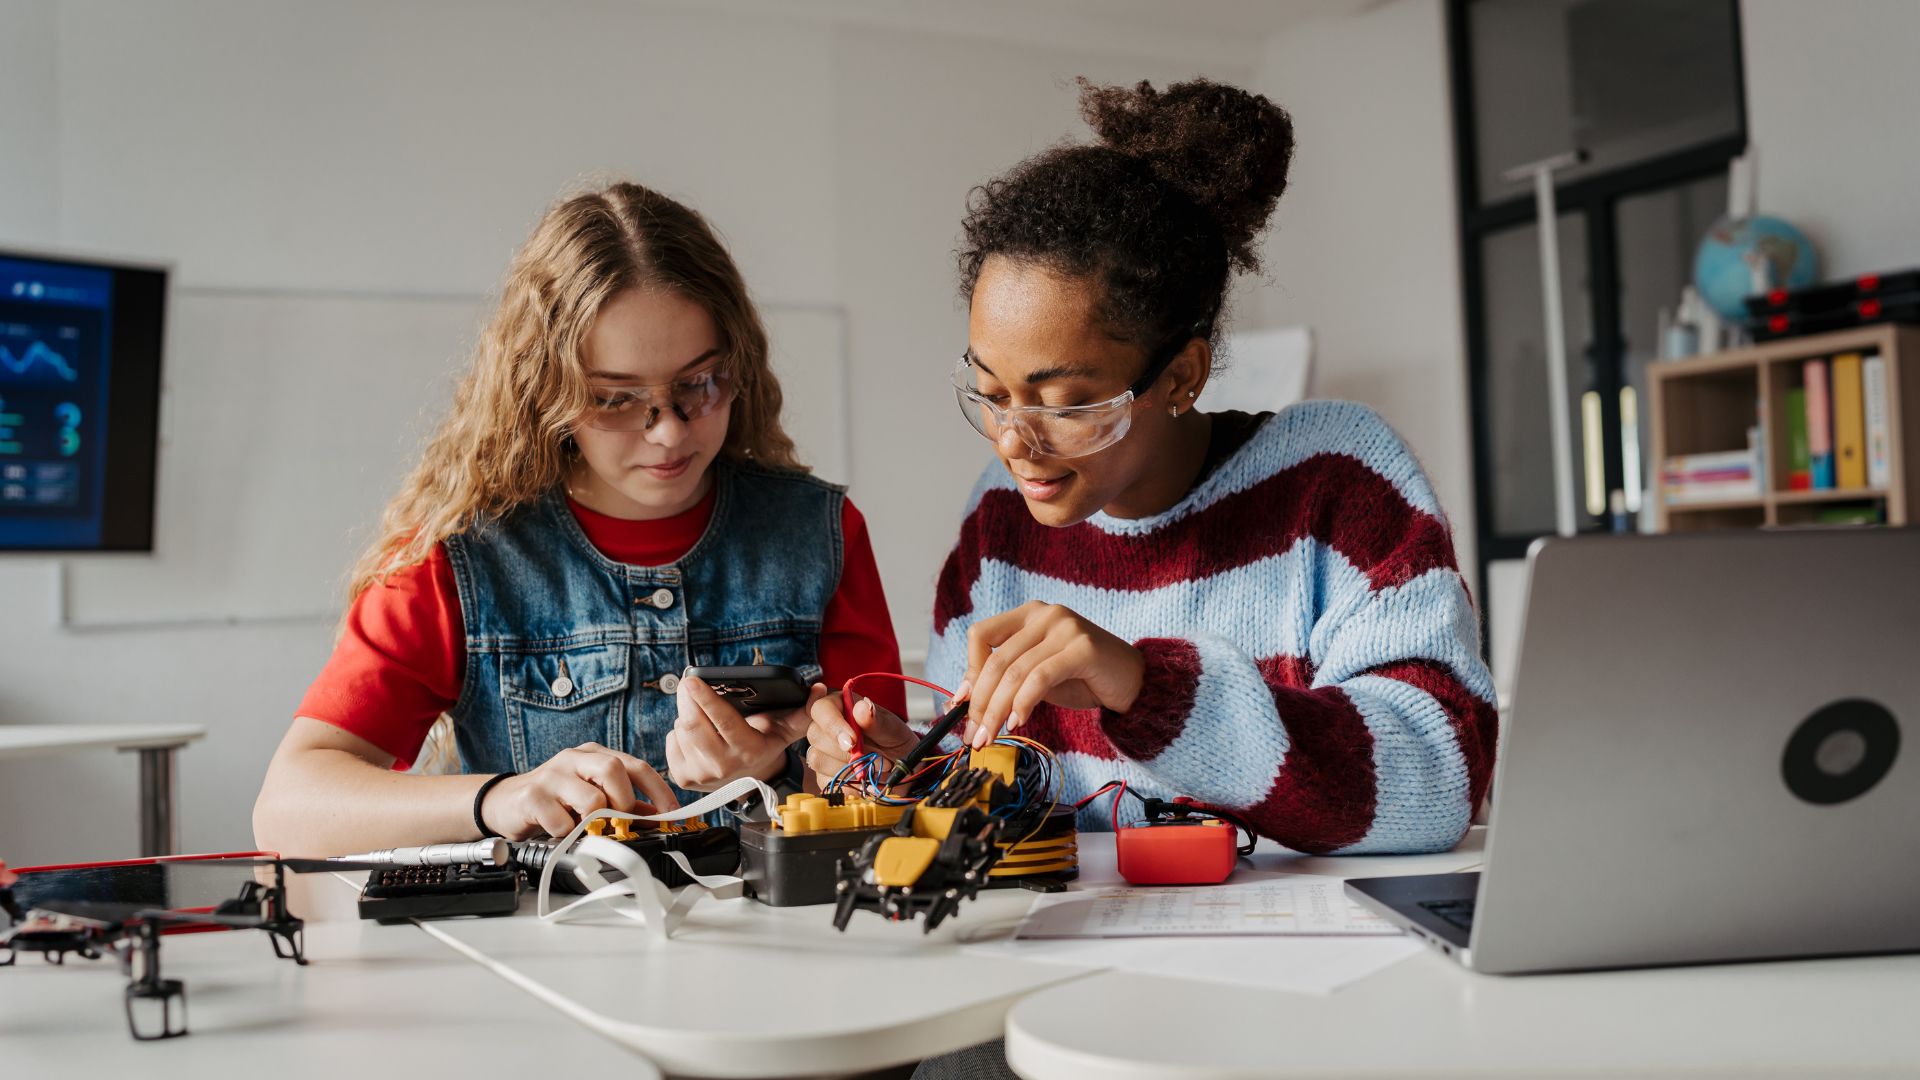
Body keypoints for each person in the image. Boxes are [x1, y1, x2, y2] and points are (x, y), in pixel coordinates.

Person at [807, 78, 1495, 1076]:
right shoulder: (999, 530)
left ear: (1183, 375)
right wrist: (897, 766)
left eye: (1064, 402)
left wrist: (1148, 685)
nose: (1014, 441)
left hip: (1303, 1011)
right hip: (1059, 992)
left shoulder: (1337, 479)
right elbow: (1014, 788)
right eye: (990, 391)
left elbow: (1439, 777)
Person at [254, 181, 904, 855]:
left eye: (699, 384)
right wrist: (501, 798)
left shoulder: (820, 535)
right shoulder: (459, 562)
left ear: (739, 363)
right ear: (547, 394)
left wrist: (775, 771)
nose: (669, 433)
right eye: (618, 399)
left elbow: (892, 788)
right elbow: (289, 806)